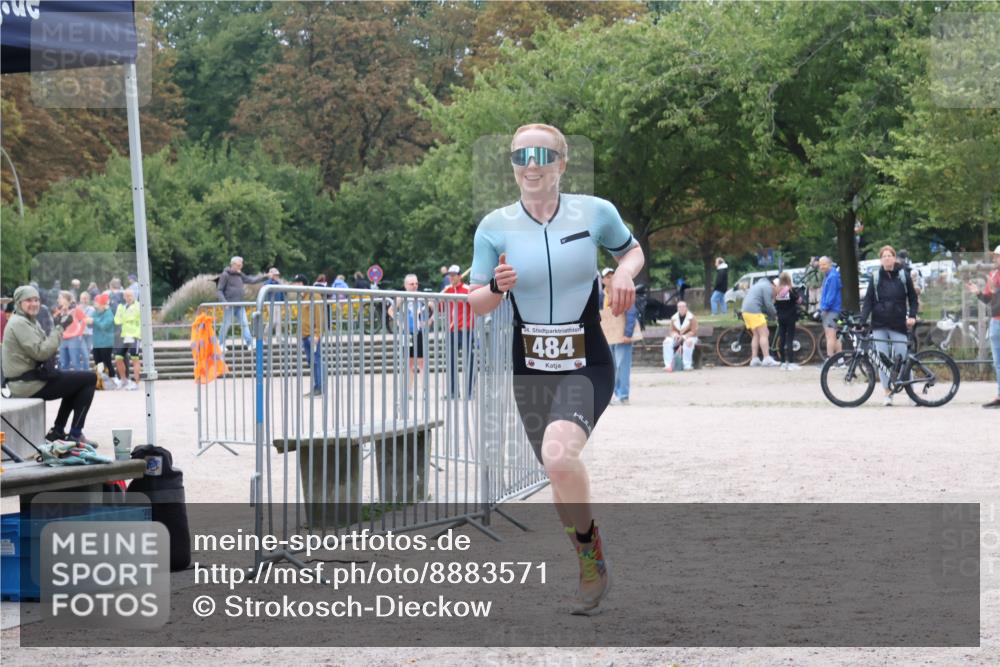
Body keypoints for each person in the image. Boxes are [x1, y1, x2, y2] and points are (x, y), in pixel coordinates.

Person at [468, 123, 644, 615]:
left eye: (542, 154)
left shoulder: (594, 212)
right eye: (520, 155)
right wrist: (498, 288)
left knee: (560, 455)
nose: (530, 163)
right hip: (529, 366)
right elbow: (477, 302)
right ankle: (591, 557)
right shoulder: (495, 226)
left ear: (562, 164)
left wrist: (624, 272)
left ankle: (591, 561)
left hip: (586, 358)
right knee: (556, 469)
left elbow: (630, 249)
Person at [2, 285, 98, 444]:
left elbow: (43, 346)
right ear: (19, 303)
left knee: (75, 382)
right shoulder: (19, 323)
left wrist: (57, 324)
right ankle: (74, 433)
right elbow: (41, 352)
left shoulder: (28, 321)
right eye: (28, 300)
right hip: (26, 385)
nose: (34, 303)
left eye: (36, 300)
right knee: (89, 379)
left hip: (30, 380)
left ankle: (59, 431)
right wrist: (60, 328)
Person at [860, 246, 918, 406]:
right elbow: (868, 301)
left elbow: (913, 299)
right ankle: (887, 392)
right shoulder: (875, 277)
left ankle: (911, 391)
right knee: (883, 359)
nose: (886, 258)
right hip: (879, 324)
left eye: (889, 256)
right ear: (881, 260)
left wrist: (912, 316)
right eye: (884, 256)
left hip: (898, 323)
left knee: (902, 358)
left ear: (894, 258)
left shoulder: (903, 276)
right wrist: (863, 320)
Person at [600, 267, 641, 403]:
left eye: (612, 276)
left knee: (622, 366)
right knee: (610, 366)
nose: (610, 279)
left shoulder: (623, 291)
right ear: (603, 280)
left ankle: (623, 395)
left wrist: (627, 333)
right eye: (607, 276)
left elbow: (631, 312)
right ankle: (611, 394)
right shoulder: (600, 295)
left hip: (622, 336)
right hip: (607, 336)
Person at [966, 245, 1000, 408]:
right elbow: (989, 300)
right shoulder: (993, 274)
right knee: (998, 362)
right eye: (995, 257)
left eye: (997, 256)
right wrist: (978, 293)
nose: (995, 259)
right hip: (995, 321)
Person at [389, 274, 428, 394]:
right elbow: (390, 310)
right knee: (409, 362)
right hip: (407, 334)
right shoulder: (402, 298)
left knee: (422, 362)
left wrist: (428, 321)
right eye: (411, 284)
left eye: (416, 283)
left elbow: (432, 306)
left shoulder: (421, 296)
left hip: (419, 332)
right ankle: (408, 391)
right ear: (405, 285)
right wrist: (400, 323)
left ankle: (424, 390)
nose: (414, 286)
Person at [216, 256, 265, 348]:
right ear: (233, 264)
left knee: (245, 324)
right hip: (229, 305)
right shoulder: (225, 275)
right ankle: (221, 344)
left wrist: (265, 276)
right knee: (226, 325)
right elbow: (219, 290)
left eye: (241, 265)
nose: (240, 267)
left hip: (240, 305)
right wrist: (224, 302)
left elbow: (251, 280)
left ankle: (249, 343)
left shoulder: (239, 274)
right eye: (239, 265)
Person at [441, 264, 474, 399]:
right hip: (452, 330)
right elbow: (438, 306)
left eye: (454, 275)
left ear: (460, 276)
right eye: (450, 275)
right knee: (451, 362)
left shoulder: (467, 290)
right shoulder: (447, 290)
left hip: (466, 330)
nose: (451, 277)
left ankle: (470, 391)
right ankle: (453, 392)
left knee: (469, 361)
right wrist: (440, 295)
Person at [290, 274, 325, 397]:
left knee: (316, 361)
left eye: (297, 283)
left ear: (302, 284)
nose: (295, 286)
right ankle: (317, 386)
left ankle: (319, 387)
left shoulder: (313, 295)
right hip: (305, 335)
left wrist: (317, 334)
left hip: (312, 335)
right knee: (312, 362)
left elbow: (319, 316)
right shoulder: (302, 297)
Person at [741, 278, 780, 367]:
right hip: (754, 311)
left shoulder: (760, 285)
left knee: (756, 335)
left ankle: (754, 359)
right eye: (778, 290)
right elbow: (768, 304)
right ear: (775, 286)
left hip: (746, 311)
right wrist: (776, 315)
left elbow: (764, 305)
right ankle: (767, 359)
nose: (777, 294)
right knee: (764, 333)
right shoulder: (767, 288)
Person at [774, 272, 803, 371]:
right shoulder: (790, 291)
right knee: (789, 340)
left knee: (781, 340)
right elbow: (799, 300)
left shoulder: (777, 291)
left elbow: (775, 304)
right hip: (790, 317)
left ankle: (782, 362)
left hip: (780, 317)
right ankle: (790, 362)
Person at [114, 288, 142, 390]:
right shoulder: (121, 307)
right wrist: (126, 317)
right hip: (124, 335)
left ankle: (136, 383)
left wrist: (125, 318)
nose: (128, 298)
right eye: (126, 296)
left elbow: (136, 317)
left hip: (135, 335)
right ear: (124, 297)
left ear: (134, 296)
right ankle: (124, 380)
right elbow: (117, 320)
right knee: (118, 358)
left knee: (135, 359)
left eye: (130, 295)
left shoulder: (139, 306)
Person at [54, 291, 88, 371]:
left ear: (66, 299)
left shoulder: (76, 309)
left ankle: (80, 382)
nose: (58, 300)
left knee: (75, 363)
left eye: (60, 298)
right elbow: (56, 322)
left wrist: (79, 333)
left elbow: (85, 320)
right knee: (63, 364)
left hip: (74, 339)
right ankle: (65, 383)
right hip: (63, 339)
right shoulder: (58, 310)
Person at [818, 256, 843, 360]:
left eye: (824, 264)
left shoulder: (832, 276)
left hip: (831, 310)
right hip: (834, 309)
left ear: (830, 264)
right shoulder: (829, 275)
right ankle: (840, 360)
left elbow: (830, 296)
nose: (822, 267)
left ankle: (829, 360)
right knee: (835, 335)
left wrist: (823, 308)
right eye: (820, 265)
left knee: (830, 336)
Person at [663, 300, 698, 372]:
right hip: (677, 338)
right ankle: (668, 365)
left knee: (688, 343)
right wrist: (676, 335)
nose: (681, 308)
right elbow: (671, 330)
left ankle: (687, 365)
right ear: (677, 308)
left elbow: (694, 331)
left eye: (683, 307)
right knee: (667, 342)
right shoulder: (674, 318)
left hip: (690, 337)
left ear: (686, 308)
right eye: (679, 307)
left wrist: (684, 337)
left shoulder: (692, 317)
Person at [90, 293, 116, 386]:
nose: (95, 305)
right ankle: (101, 381)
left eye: (97, 303)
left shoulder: (109, 313)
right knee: (98, 363)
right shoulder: (96, 312)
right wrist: (89, 321)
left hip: (106, 343)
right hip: (96, 343)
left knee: (107, 362)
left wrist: (94, 321)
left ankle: (113, 379)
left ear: (102, 304)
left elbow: (104, 326)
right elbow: (90, 323)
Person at [263, 267, 285, 338]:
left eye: (277, 275)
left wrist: (283, 302)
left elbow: (282, 293)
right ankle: (265, 335)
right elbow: (266, 287)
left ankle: (278, 336)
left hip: (278, 303)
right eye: (275, 275)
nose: (277, 276)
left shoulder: (278, 283)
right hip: (270, 304)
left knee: (278, 321)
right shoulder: (268, 283)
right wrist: (270, 278)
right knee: (272, 321)